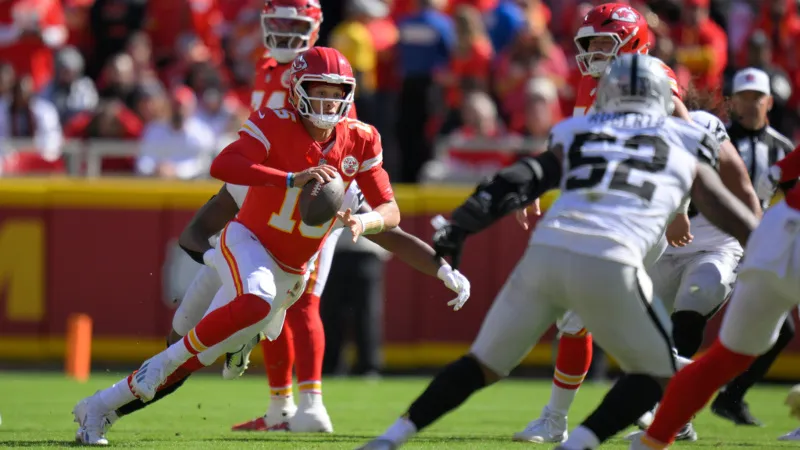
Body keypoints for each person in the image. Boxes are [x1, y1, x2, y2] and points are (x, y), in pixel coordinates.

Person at [356, 53, 759, 450]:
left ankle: (391, 438)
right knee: (655, 373)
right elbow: (718, 203)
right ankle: (578, 442)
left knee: (481, 364)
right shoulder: (687, 137)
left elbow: (525, 175)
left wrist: (462, 224)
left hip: (546, 253)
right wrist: (759, 243)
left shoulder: (578, 129)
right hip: (611, 258)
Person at [72, 47, 400, 445]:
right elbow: (223, 166)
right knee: (221, 322)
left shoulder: (361, 139)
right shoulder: (273, 124)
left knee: (196, 358)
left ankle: (100, 407)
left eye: (336, 92)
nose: (329, 101)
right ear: (298, 90)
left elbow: (390, 209)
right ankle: (175, 358)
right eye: (320, 91)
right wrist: (289, 179)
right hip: (245, 244)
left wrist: (363, 221)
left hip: (289, 273)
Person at [514, 3, 697, 444]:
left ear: (632, 42)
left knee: (578, 314)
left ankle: (556, 420)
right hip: (607, 212)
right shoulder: (592, 82)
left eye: (603, 42)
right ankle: (673, 396)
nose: (594, 51)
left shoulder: (653, 76)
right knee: (600, 319)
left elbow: (689, 140)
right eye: (590, 43)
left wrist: (680, 210)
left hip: (643, 213)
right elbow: (579, 145)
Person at [628, 146, 800, 450]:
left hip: (776, 230)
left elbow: (770, 175)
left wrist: (779, 170)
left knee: (724, 359)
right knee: (724, 356)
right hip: (775, 232)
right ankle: (660, 429)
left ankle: (654, 438)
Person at [709, 67, 796, 427]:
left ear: (769, 102)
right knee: (695, 311)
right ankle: (658, 391)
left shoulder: (782, 148)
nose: (749, 104)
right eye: (742, 97)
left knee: (782, 330)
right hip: (713, 240)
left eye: (755, 98)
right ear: (731, 102)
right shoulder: (716, 138)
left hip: (760, 245)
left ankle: (732, 396)